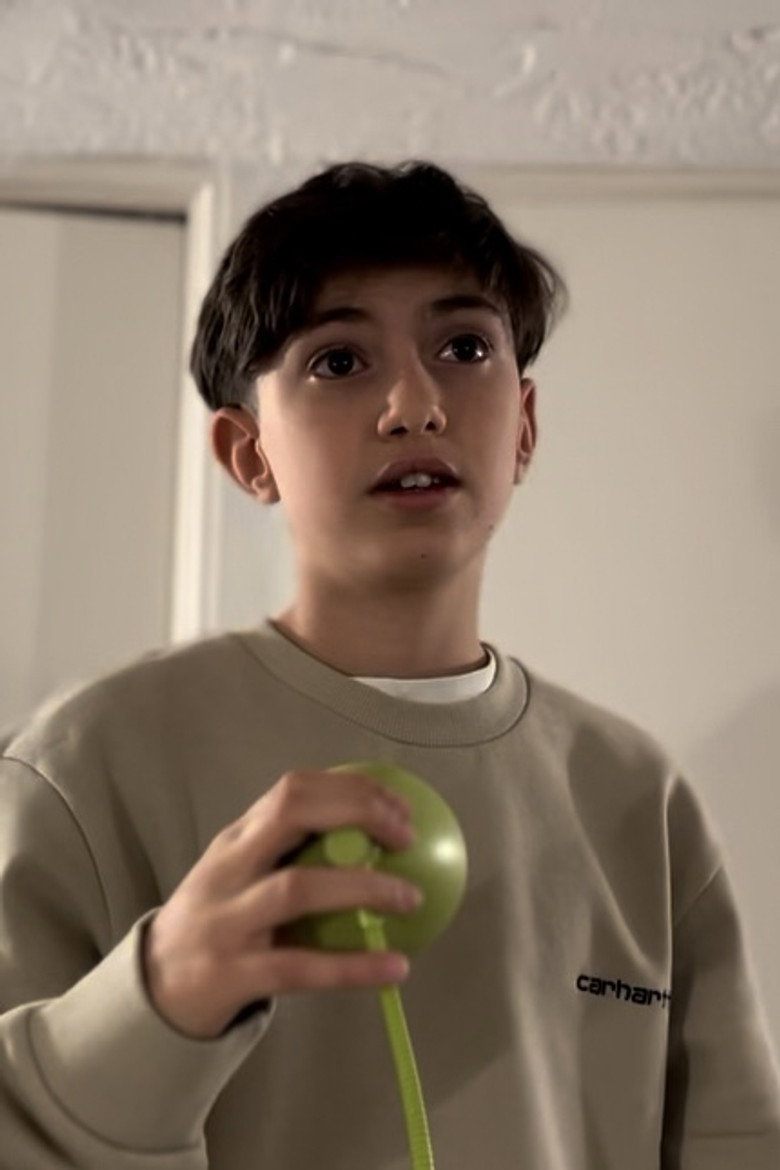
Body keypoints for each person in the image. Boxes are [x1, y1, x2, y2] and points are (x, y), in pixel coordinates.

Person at [1, 160, 779, 1170]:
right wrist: (161, 998)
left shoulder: (639, 796)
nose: (415, 404)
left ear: (525, 428)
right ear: (248, 455)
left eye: (463, 348)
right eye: (338, 361)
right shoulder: (83, 767)